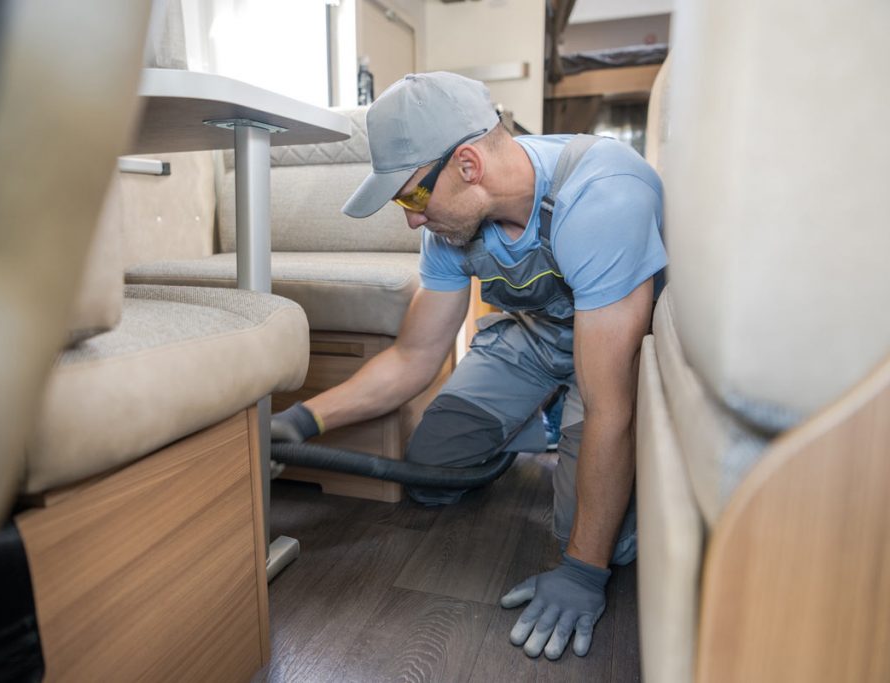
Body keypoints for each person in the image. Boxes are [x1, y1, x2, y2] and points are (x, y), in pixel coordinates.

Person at [272, 72, 666, 662]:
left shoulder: (602, 195)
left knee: (606, 543)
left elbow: (612, 406)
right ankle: (543, 417)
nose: (410, 219)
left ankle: (562, 427)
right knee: (432, 474)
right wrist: (301, 421)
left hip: (609, 357)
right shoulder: (450, 230)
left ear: (467, 165)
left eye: (411, 196)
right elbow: (414, 357)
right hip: (532, 341)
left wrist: (583, 573)